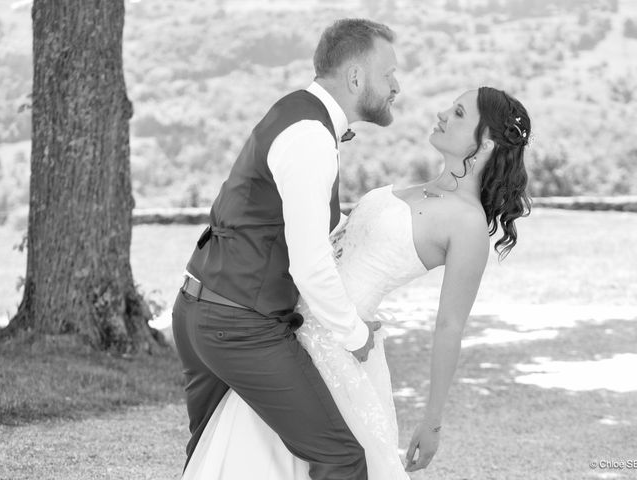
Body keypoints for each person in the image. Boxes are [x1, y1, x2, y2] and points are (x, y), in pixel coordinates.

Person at [181, 86, 532, 479]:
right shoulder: (412, 187)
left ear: (484, 145)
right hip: (285, 326)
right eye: (451, 106)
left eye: (460, 113)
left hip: (342, 348)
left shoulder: (466, 223)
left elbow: (450, 326)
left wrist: (432, 423)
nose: (444, 113)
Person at [172, 18, 400, 480]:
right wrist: (354, 337)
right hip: (239, 325)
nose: (397, 85)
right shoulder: (310, 137)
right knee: (341, 458)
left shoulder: (296, 114)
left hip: (201, 306)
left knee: (212, 458)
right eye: (389, 73)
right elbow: (310, 263)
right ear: (355, 78)